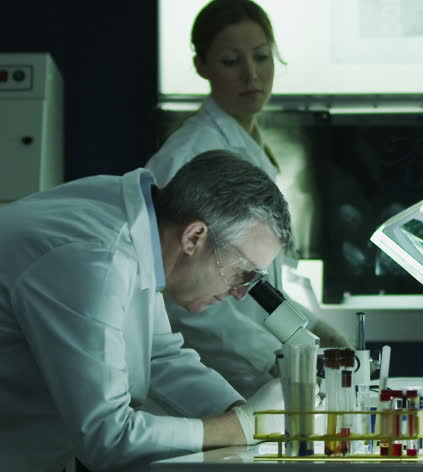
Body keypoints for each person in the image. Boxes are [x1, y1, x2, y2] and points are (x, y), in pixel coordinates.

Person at [0, 151, 289, 471]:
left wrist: (246, 413)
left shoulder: (136, 229)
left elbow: (159, 355)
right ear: (194, 237)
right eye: (243, 272)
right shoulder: (96, 260)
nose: (239, 293)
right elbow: (108, 437)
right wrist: (240, 427)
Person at [146, 0, 350, 399]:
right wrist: (276, 359)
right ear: (201, 66)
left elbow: (259, 285)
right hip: (206, 378)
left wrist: (313, 333)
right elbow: (182, 296)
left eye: (261, 57)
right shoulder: (187, 158)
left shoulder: (253, 150)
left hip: (247, 370)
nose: (251, 75)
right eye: (230, 61)